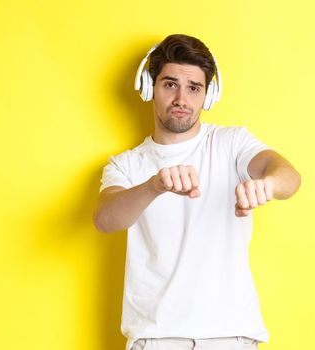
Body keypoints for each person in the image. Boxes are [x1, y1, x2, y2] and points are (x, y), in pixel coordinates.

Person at [93, 34, 301, 350]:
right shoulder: (126, 165)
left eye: (194, 88)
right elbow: (105, 219)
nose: (181, 98)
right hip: (156, 338)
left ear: (208, 94)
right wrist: (155, 185)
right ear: (150, 88)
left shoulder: (232, 143)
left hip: (231, 335)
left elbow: (288, 176)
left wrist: (268, 185)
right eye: (169, 84)